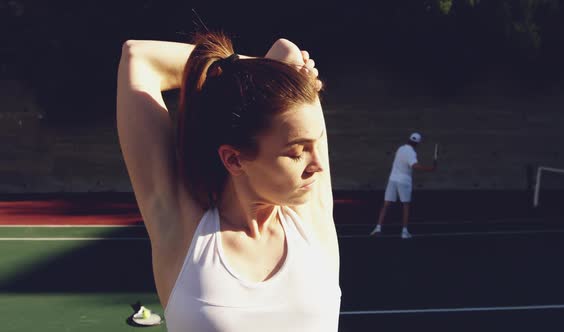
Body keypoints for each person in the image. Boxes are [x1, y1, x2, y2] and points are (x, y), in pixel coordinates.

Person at [116, 31, 340, 332]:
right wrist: (236, 71)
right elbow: (139, 57)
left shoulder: (311, 219)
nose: (318, 165)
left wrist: (259, 71)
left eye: (318, 143)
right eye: (297, 152)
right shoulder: (183, 229)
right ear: (234, 160)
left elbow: (285, 51)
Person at [369, 132, 436, 239]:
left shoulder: (400, 149)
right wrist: (430, 169)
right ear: (417, 144)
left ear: (409, 140)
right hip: (404, 181)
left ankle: (378, 228)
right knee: (405, 205)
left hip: (393, 179)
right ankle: (404, 232)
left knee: (386, 204)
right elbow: (415, 166)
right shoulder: (411, 153)